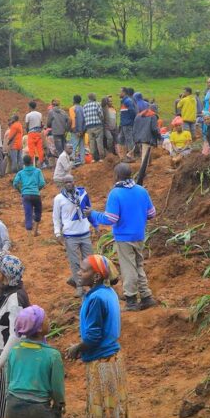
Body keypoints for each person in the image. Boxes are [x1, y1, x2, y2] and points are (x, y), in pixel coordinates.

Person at [64, 255, 130, 418]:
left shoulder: (96, 299)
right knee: (115, 409)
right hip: (113, 360)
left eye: (83, 270)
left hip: (101, 364)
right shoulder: (107, 292)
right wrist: (80, 283)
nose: (78, 272)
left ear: (96, 277)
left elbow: (92, 337)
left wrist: (76, 348)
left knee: (104, 412)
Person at [89, 163, 158, 311]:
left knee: (128, 268)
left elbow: (110, 219)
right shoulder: (141, 191)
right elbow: (152, 213)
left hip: (124, 237)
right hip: (139, 235)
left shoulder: (115, 193)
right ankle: (146, 296)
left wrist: (93, 214)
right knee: (139, 265)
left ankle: (131, 299)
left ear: (116, 176)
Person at [1, 306, 72, 418]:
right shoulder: (52, 355)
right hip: (38, 410)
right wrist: (59, 406)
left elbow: (8, 382)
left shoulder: (14, 351)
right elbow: (57, 390)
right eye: (46, 318)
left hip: (13, 408)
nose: (49, 320)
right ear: (39, 329)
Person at [0, 255, 31, 418]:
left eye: (0, 272)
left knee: (8, 403)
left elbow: (16, 335)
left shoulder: (15, 299)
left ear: (6, 276)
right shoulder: (12, 293)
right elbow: (6, 305)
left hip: (10, 355)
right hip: (8, 354)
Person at [53, 174, 95, 296]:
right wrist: (57, 233)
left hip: (85, 232)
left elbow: (89, 209)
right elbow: (56, 218)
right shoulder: (59, 199)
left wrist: (93, 223)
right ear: (63, 184)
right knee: (75, 262)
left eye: (70, 181)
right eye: (66, 182)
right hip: (70, 235)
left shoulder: (82, 194)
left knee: (90, 261)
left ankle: (91, 285)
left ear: (74, 181)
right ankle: (79, 287)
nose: (68, 184)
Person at [13, 155, 46, 238]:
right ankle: (35, 231)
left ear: (23, 163)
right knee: (38, 212)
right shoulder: (37, 171)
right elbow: (42, 183)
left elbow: (15, 183)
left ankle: (29, 238)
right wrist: (37, 189)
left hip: (26, 195)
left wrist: (21, 191)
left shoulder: (21, 172)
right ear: (32, 162)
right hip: (36, 194)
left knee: (28, 214)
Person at [84, 93, 105, 162]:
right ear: (94, 98)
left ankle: (93, 158)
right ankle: (101, 158)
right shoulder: (97, 104)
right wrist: (102, 121)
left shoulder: (85, 106)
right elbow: (101, 115)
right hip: (97, 125)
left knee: (92, 142)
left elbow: (84, 117)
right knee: (99, 141)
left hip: (89, 127)